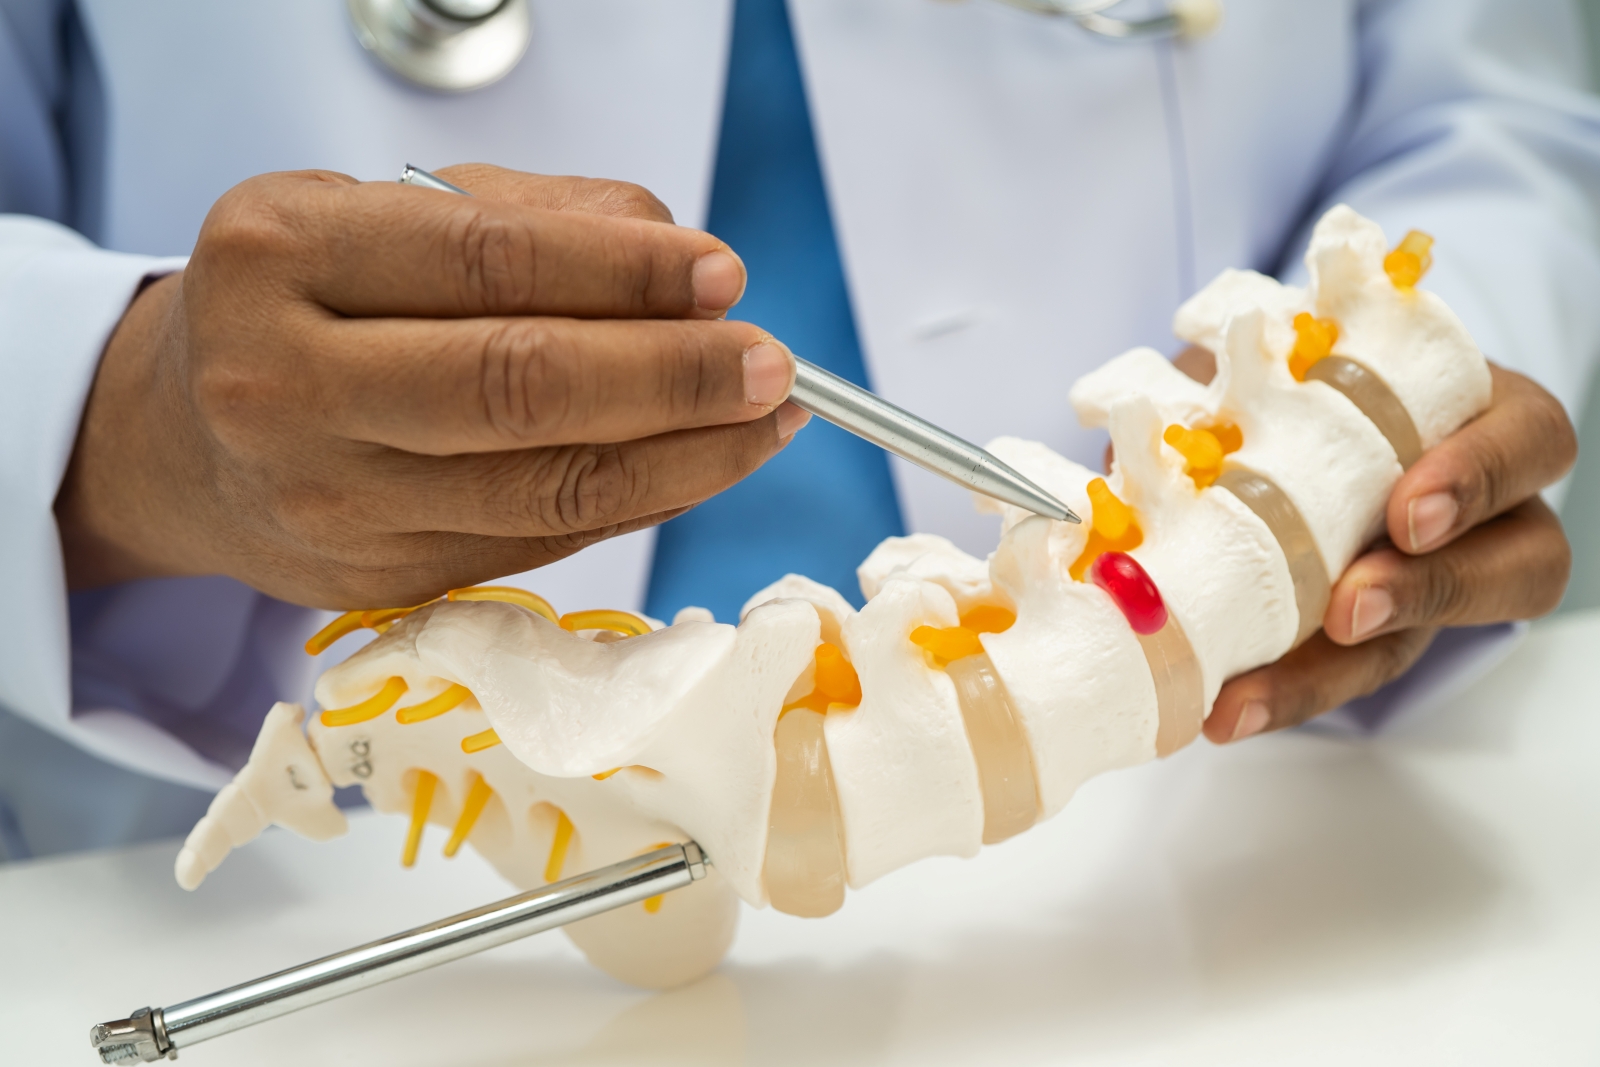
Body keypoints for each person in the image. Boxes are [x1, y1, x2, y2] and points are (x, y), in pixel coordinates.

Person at [0, 0, 1591, 860]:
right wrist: (106, 414)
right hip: (315, 875)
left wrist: (1383, 410)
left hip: (1216, 845)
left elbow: (1489, 118)